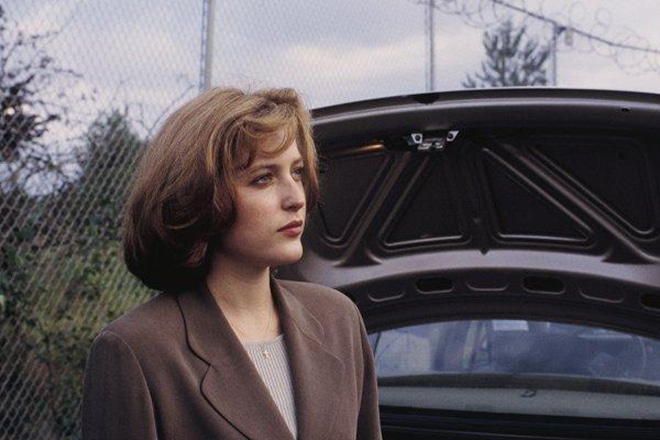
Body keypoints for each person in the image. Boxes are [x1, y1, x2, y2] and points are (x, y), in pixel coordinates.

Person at [82, 87, 382, 439]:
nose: (296, 198)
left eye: (297, 172)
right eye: (263, 178)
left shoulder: (338, 318)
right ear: (198, 197)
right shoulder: (136, 349)